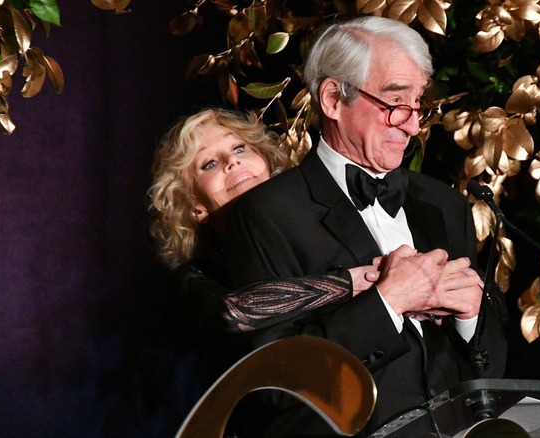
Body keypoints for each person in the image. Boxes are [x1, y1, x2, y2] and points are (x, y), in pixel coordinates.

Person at [223, 16, 508, 435]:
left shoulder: (444, 204)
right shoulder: (269, 213)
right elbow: (273, 385)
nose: (412, 125)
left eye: (419, 106)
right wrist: (387, 303)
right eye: (395, 104)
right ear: (334, 99)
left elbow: (490, 369)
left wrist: (472, 318)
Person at [147, 108, 379, 337]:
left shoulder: (323, 221)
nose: (232, 161)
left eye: (239, 149)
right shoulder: (195, 274)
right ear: (193, 205)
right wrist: (350, 282)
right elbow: (231, 312)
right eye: (209, 164)